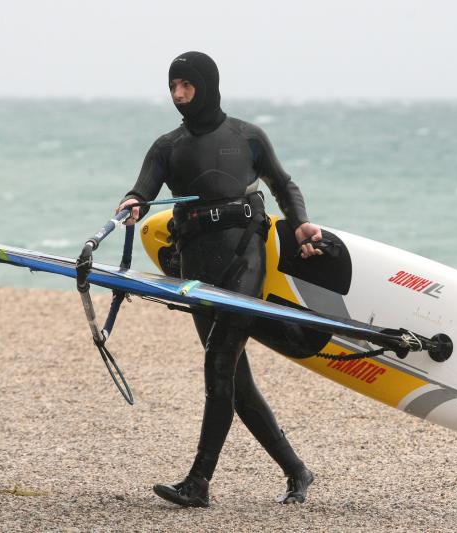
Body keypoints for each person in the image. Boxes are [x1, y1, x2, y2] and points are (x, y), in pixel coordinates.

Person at [116, 51, 322, 507]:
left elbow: (283, 184)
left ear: (207, 85)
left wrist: (301, 223)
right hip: (195, 267)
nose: (178, 95)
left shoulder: (247, 137)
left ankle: (199, 483)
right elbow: (142, 190)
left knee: (218, 362)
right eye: (173, 86)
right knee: (235, 380)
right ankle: (297, 470)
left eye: (187, 85)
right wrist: (132, 204)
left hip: (244, 258)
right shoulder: (167, 147)